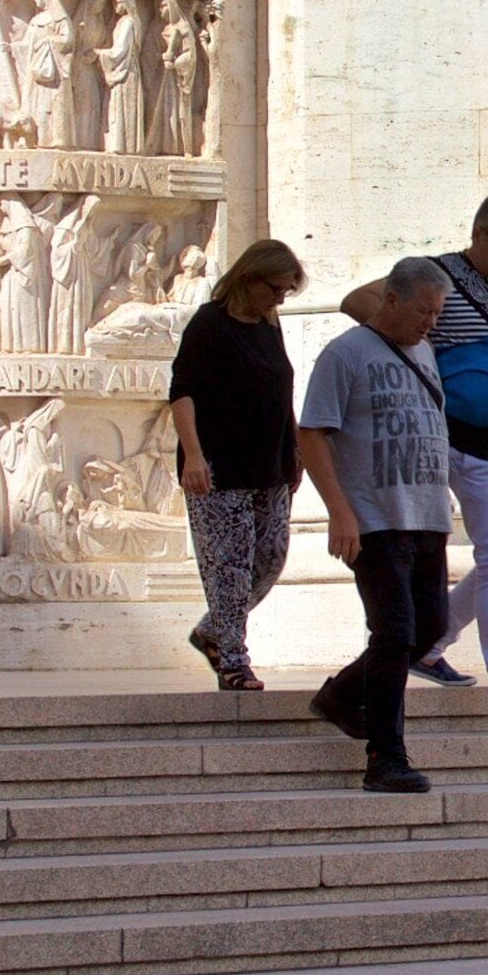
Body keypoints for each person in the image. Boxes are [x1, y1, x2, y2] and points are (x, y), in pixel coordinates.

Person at [343, 194, 488, 739]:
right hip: (466, 441)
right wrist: (421, 356)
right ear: (478, 233)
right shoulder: (436, 276)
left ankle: (431, 646)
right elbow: (359, 302)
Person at [297, 258, 455, 793]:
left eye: (436, 313)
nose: (430, 322)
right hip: (375, 519)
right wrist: (339, 509)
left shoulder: (424, 351)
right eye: (422, 311)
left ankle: (341, 696)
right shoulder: (345, 354)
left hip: (427, 514)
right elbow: (312, 432)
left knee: (429, 629)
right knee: (394, 632)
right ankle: (385, 757)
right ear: (390, 299)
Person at [166, 239, 305, 691]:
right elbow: (182, 391)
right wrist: (193, 455)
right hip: (220, 468)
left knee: (269, 558)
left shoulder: (269, 325)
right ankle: (233, 659)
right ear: (250, 278)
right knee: (229, 565)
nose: (280, 298)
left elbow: (280, 389)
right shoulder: (211, 323)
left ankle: (213, 631)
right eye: (276, 288)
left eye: (286, 291)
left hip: (270, 464)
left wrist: (295, 448)